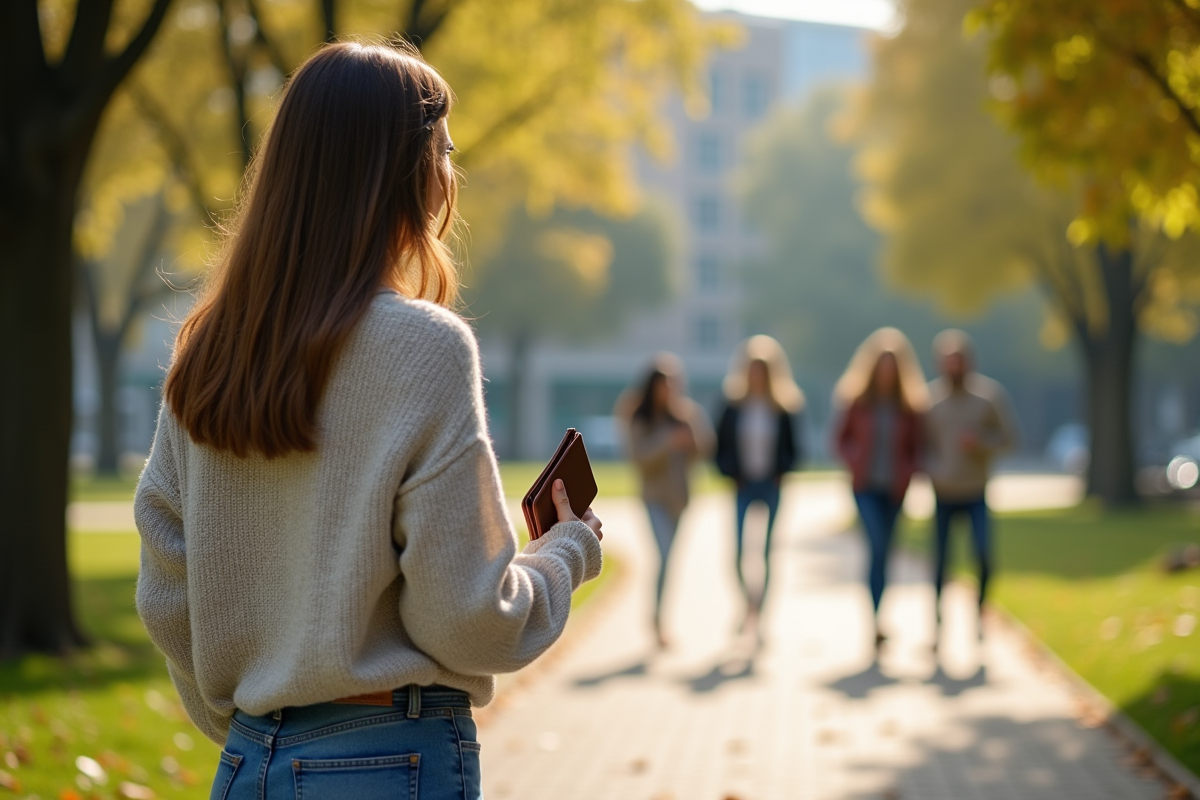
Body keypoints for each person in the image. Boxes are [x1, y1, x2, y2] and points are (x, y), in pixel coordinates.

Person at [133, 43, 603, 799]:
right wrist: (567, 550)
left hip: (247, 764)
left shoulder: (206, 353)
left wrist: (252, 713)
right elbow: (469, 621)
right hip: (388, 760)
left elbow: (165, 588)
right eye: (443, 151)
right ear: (404, 171)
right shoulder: (424, 348)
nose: (451, 175)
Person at [833, 328, 928, 651]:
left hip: (895, 490)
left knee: (886, 553)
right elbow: (839, 440)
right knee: (876, 545)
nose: (887, 372)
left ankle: (881, 616)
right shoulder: (858, 402)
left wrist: (910, 470)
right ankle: (873, 620)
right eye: (882, 365)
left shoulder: (908, 406)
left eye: (892, 366)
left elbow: (918, 447)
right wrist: (854, 459)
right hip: (865, 488)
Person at [924, 329, 1019, 646]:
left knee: (983, 555)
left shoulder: (988, 397)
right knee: (940, 560)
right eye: (947, 362)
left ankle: (980, 611)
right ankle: (937, 619)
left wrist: (981, 443)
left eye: (958, 361)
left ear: (968, 362)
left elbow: (1009, 438)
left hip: (976, 490)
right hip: (943, 492)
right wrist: (932, 470)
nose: (953, 367)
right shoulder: (930, 400)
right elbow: (920, 447)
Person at [619, 354, 714, 648]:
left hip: (680, 499)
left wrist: (690, 437)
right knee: (663, 557)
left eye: (673, 383)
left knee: (670, 561)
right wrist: (667, 442)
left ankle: (661, 618)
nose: (669, 389)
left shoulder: (686, 414)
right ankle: (657, 621)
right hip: (654, 499)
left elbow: (705, 450)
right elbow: (639, 458)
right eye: (664, 384)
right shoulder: (640, 417)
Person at [714, 335, 804, 635]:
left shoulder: (783, 408)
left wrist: (782, 472)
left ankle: (761, 616)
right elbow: (720, 449)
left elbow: (795, 450)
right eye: (752, 369)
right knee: (738, 553)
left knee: (767, 553)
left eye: (762, 370)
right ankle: (748, 603)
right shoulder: (733, 407)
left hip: (771, 485)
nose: (757, 376)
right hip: (743, 485)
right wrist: (732, 474)